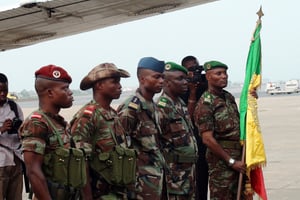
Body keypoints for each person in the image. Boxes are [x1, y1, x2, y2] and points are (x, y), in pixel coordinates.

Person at [70, 63, 131, 200]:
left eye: (119, 82)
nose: (119, 86)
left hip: (117, 191)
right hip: (99, 193)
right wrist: (87, 196)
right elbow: (79, 161)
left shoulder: (112, 114)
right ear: (99, 85)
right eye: (114, 82)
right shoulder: (88, 116)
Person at [19, 64, 78, 200]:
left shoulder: (58, 123)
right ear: (50, 93)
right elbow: (33, 171)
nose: (70, 92)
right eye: (65, 88)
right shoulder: (36, 123)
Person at [193, 60, 249, 199]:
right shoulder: (205, 103)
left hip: (239, 158)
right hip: (222, 165)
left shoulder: (228, 97)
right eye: (218, 73)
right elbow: (207, 139)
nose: (224, 76)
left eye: (225, 73)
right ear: (208, 77)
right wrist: (230, 161)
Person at [117, 57, 168, 199]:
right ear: (142, 79)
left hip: (156, 180)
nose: (161, 81)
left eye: (163, 77)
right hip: (139, 184)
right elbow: (121, 150)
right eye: (156, 77)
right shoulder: (131, 108)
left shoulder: (154, 106)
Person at [157, 62, 198, 199]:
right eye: (180, 79)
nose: (185, 82)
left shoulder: (180, 104)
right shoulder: (161, 108)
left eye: (186, 78)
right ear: (167, 83)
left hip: (188, 175)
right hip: (174, 178)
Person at [181, 56, 209, 200]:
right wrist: (191, 90)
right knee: (199, 184)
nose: (195, 72)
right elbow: (187, 118)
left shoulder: (205, 83)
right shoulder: (183, 88)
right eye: (191, 69)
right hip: (195, 142)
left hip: (210, 142)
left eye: (196, 67)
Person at [0, 73, 24, 200]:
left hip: (16, 160)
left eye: (5, 90)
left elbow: (23, 127)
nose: (2, 94)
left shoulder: (14, 106)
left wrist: (21, 131)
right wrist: (1, 129)